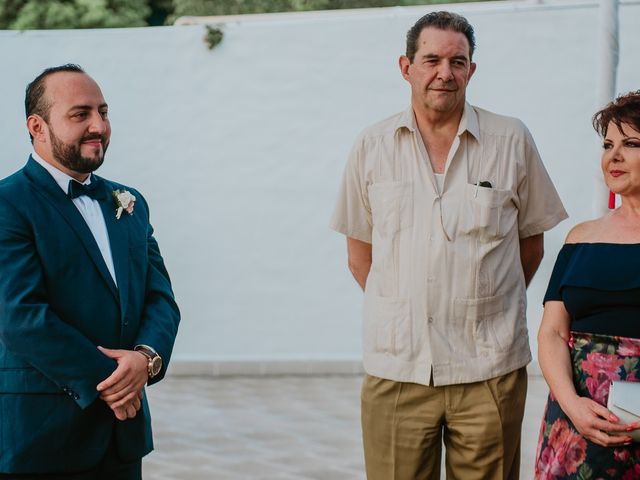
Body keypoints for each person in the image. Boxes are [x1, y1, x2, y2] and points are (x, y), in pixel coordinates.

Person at [330, 11, 567, 480]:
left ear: (472, 70)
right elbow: (361, 259)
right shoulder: (372, 146)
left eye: (458, 61)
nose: (445, 72)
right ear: (406, 67)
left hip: (490, 370)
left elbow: (531, 246)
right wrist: (408, 308)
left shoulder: (511, 140)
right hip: (398, 371)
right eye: (432, 59)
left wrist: (483, 307)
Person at [0, 64, 180, 479]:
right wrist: (118, 382)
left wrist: (146, 359)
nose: (98, 125)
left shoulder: (129, 201)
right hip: (41, 433)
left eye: (103, 111)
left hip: (121, 438)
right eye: (79, 114)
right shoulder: (9, 204)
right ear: (37, 126)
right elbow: (21, 317)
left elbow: (160, 298)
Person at [535, 91, 640, 479]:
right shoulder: (580, 238)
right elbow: (551, 333)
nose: (614, 155)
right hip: (577, 426)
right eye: (608, 144)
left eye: (631, 144)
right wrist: (572, 405)